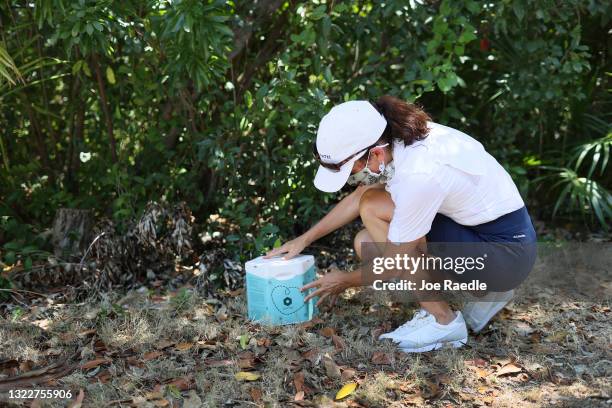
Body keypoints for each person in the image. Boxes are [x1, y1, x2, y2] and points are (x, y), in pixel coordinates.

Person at [265, 96, 537, 353]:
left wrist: (344, 281)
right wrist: (305, 238)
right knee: (367, 242)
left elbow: (395, 261)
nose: (353, 179)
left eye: (352, 170)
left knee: (373, 209)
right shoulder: (401, 138)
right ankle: (484, 292)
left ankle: (444, 322)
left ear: (375, 154)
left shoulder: (420, 173)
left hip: (505, 254)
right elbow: (360, 195)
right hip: (495, 240)